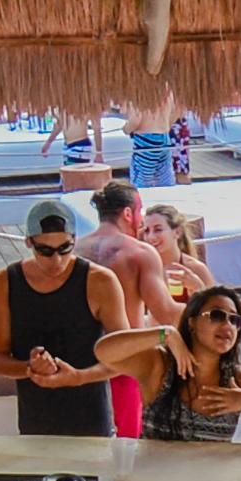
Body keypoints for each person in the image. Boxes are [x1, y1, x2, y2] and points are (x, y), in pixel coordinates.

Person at [50, 285, 241, 444]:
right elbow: (104, 350)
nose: (227, 326)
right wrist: (164, 334)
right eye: (217, 316)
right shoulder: (161, 366)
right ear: (192, 323)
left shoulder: (239, 380)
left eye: (235, 320)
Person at [0, 198, 129, 440]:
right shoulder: (5, 282)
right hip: (36, 425)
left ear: (75, 240)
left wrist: (79, 378)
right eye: (45, 251)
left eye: (65, 248)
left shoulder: (100, 282)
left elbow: (126, 356)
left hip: (92, 424)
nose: (56, 260)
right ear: (28, 243)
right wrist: (30, 368)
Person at [79, 179, 177, 439]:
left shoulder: (75, 250)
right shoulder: (139, 253)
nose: (142, 221)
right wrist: (209, 306)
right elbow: (166, 311)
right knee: (129, 448)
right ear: (127, 213)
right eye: (140, 211)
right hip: (126, 361)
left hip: (79, 360)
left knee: (84, 445)